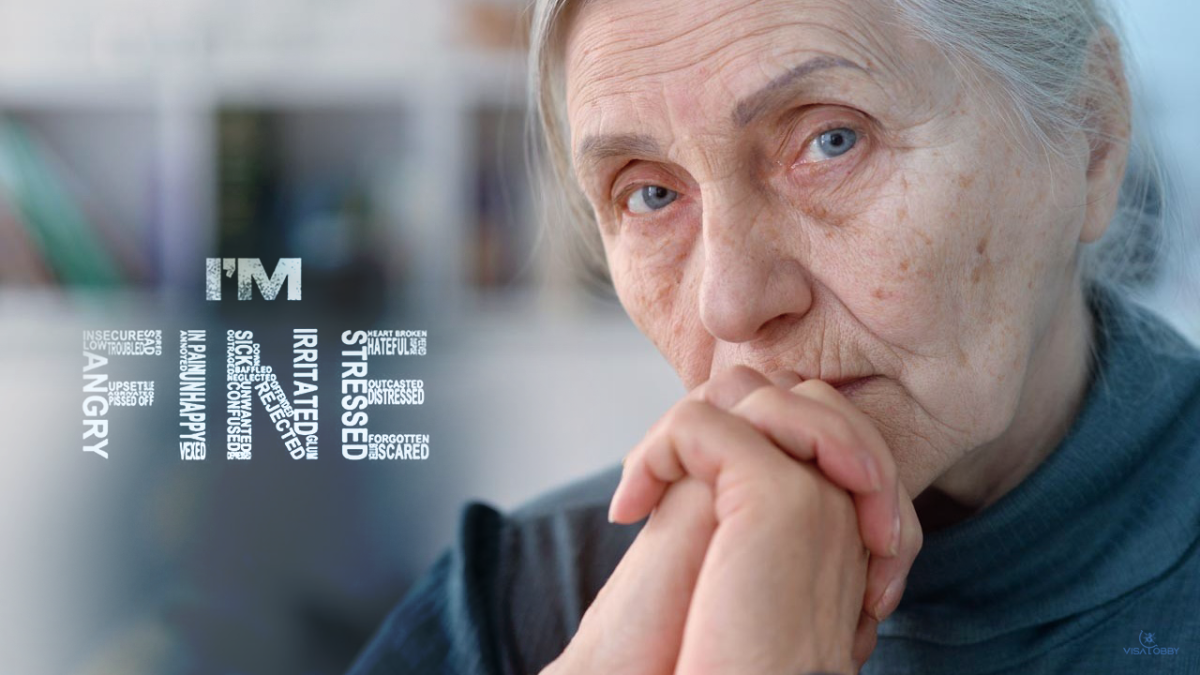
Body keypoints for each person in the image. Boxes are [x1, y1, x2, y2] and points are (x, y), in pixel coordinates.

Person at [346, 0, 1200, 672]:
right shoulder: (519, 600)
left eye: (832, 139)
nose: (730, 303)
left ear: (1090, 135)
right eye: (649, 194)